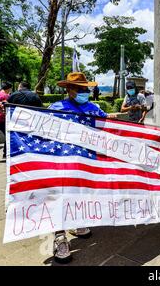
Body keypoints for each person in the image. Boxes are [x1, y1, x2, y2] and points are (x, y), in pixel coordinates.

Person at [49, 72, 117, 264]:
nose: (84, 92)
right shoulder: (56, 108)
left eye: (86, 89)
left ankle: (78, 224)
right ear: (69, 89)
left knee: (82, 194)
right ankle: (60, 237)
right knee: (62, 196)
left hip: (87, 161)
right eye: (80, 89)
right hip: (64, 160)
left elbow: (106, 124)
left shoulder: (92, 107)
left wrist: (111, 118)